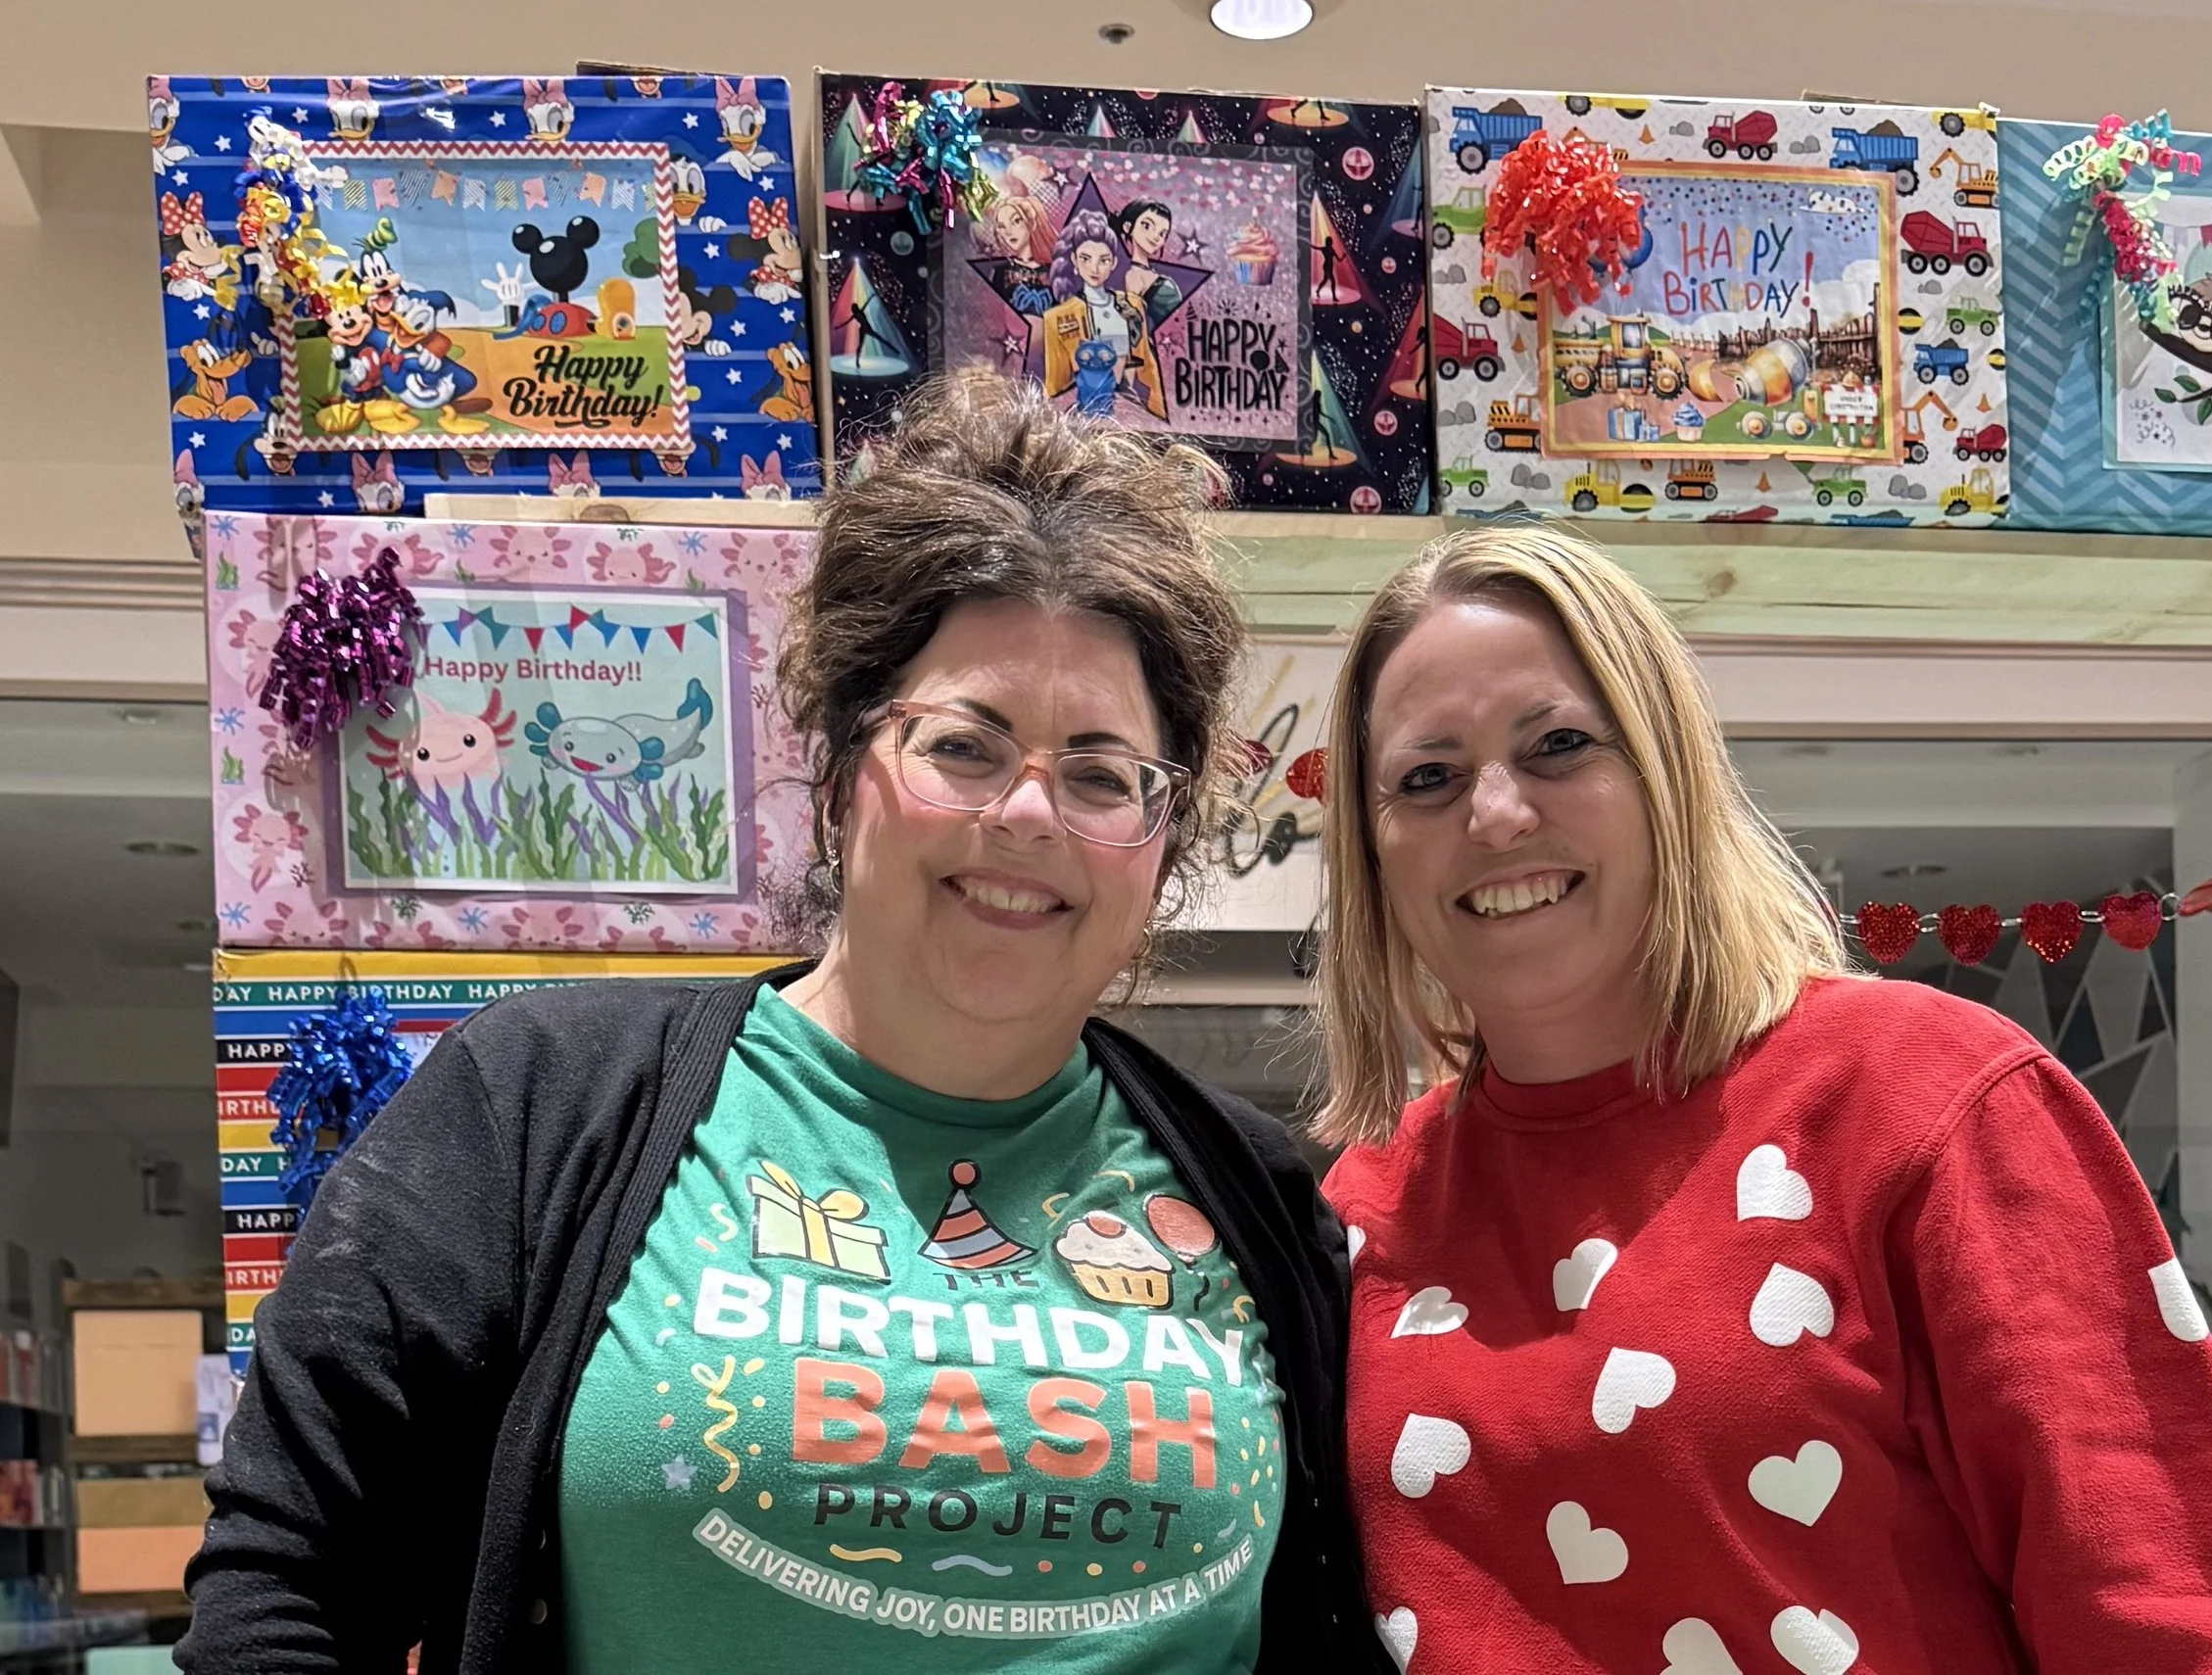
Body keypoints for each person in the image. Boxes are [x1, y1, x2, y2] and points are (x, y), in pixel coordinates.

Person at [181, 371, 1382, 1675]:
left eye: (1102, 773)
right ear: (839, 766)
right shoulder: (533, 1110)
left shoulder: (1264, 1202)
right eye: (965, 744)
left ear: (1162, 837)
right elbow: (283, 1594)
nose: (1030, 815)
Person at [1310, 523, 2212, 1675]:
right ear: (1373, 845)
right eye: (1426, 777)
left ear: (1667, 773)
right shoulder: (1361, 1206)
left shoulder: (1931, 1104)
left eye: (1557, 745)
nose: (1492, 814)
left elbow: (2175, 1632)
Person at [1044, 211, 1165, 419]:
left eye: (1104, 260)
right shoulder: (1057, 318)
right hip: (1084, 414)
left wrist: (1160, 419)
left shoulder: (1132, 305)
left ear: (1114, 263)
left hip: (1130, 413)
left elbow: (1148, 369)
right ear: (1074, 260)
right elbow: (1056, 386)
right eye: (1086, 258)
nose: (1095, 268)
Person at [981, 193, 1058, 317]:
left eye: (1016, 221)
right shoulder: (1001, 272)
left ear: (1031, 222)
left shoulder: (1055, 270)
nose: (1009, 232)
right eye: (1002, 226)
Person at [1111, 198, 1182, 328]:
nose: (1155, 236)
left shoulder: (1166, 288)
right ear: (1127, 227)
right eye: (1147, 226)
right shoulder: (1110, 273)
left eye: (1162, 234)